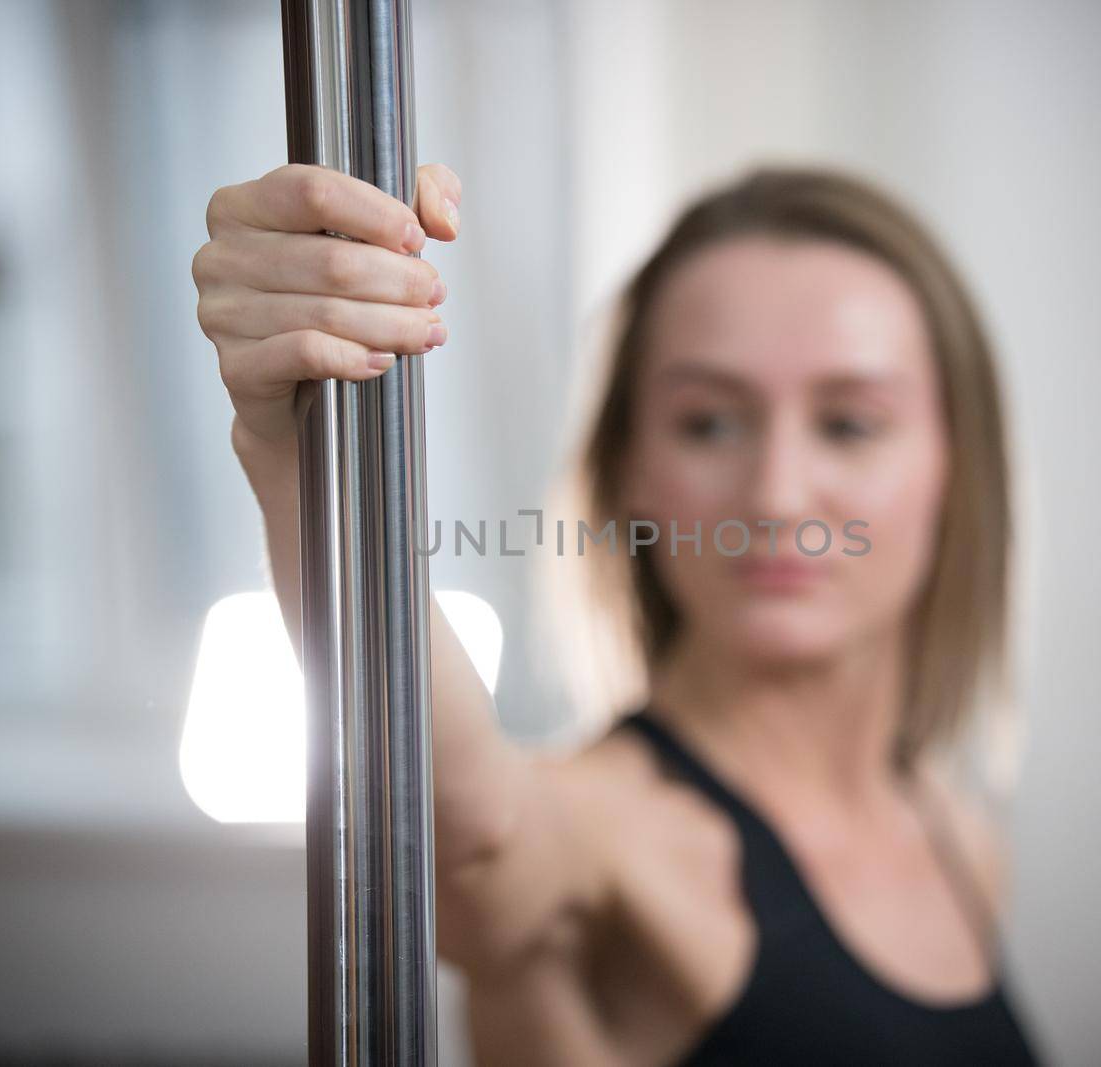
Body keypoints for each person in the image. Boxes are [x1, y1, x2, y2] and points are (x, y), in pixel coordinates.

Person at [193, 160, 1041, 1066]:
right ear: (628, 466)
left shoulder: (953, 832)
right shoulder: (599, 849)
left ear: (956, 468)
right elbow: (473, 833)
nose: (778, 495)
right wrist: (291, 444)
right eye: (708, 422)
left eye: (850, 424)